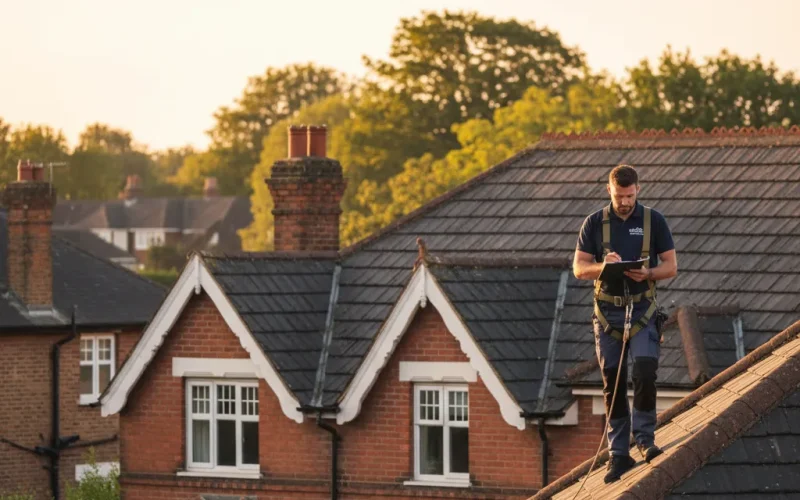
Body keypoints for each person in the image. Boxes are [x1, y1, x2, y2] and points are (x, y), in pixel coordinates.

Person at [573, 164, 678, 483]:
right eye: (619, 196)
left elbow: (671, 266)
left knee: (645, 371)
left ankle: (645, 439)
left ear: (638, 190)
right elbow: (579, 268)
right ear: (609, 190)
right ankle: (619, 452)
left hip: (643, 308)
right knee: (613, 380)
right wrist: (604, 266)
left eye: (630, 196)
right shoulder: (594, 223)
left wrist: (647, 273)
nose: (624, 201)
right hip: (608, 313)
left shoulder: (653, 221)